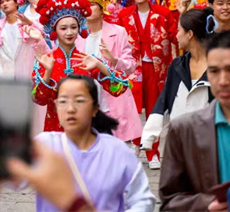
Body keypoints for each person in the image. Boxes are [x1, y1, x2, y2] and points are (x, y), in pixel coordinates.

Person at [159, 31, 230, 211]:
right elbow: (169, 203)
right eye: (214, 71)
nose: (223, 81)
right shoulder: (183, 130)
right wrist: (207, 206)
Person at [35, 75, 155, 211]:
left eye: (79, 101)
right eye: (63, 101)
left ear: (95, 108)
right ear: (56, 106)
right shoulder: (44, 145)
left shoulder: (116, 151)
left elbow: (142, 199)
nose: (70, 109)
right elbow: (13, 177)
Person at [33, 0, 130, 132]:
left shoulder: (87, 59)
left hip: (85, 131)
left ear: (79, 28)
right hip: (55, 130)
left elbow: (120, 88)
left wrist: (100, 65)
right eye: (63, 28)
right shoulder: (47, 60)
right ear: (55, 31)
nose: (69, 32)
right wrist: (48, 72)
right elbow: (39, 100)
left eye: (73, 27)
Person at [118, 0, 176, 168]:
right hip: (133, 68)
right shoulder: (123, 15)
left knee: (155, 110)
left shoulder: (163, 13)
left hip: (156, 68)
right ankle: (134, 145)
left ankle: (153, 152)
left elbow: (176, 38)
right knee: (131, 109)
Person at [75, 0, 142, 143]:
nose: (88, 9)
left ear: (102, 7)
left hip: (112, 97)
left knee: (116, 146)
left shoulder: (118, 32)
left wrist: (114, 59)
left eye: (92, 5)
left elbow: (131, 66)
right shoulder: (76, 34)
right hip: (85, 96)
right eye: (86, 5)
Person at [141, 9, 214, 151]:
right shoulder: (178, 65)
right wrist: (149, 137)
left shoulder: (218, 67)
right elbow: (164, 100)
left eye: (179, 30)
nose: (176, 35)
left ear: (190, 34)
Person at [0, 0, 50, 135]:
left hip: (25, 75)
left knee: (30, 118)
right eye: (2, 1)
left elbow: (44, 33)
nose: (5, 4)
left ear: (16, 2)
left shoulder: (28, 22)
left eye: (9, 0)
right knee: (7, 119)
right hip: (5, 77)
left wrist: (30, 24)